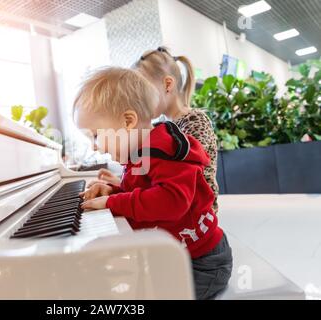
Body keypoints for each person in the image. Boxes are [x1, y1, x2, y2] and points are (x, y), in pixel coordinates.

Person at [73, 67, 232, 300]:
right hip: (177, 256)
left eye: (96, 135)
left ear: (128, 121)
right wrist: (113, 190)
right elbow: (141, 192)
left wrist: (112, 202)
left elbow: (171, 201)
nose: (95, 146)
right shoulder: (140, 154)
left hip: (204, 264)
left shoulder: (164, 150)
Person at [90, 46, 220, 215]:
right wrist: (121, 185)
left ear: (167, 84)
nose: (138, 99)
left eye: (143, 90)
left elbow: (182, 184)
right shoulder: (163, 125)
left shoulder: (194, 121)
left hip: (195, 214)